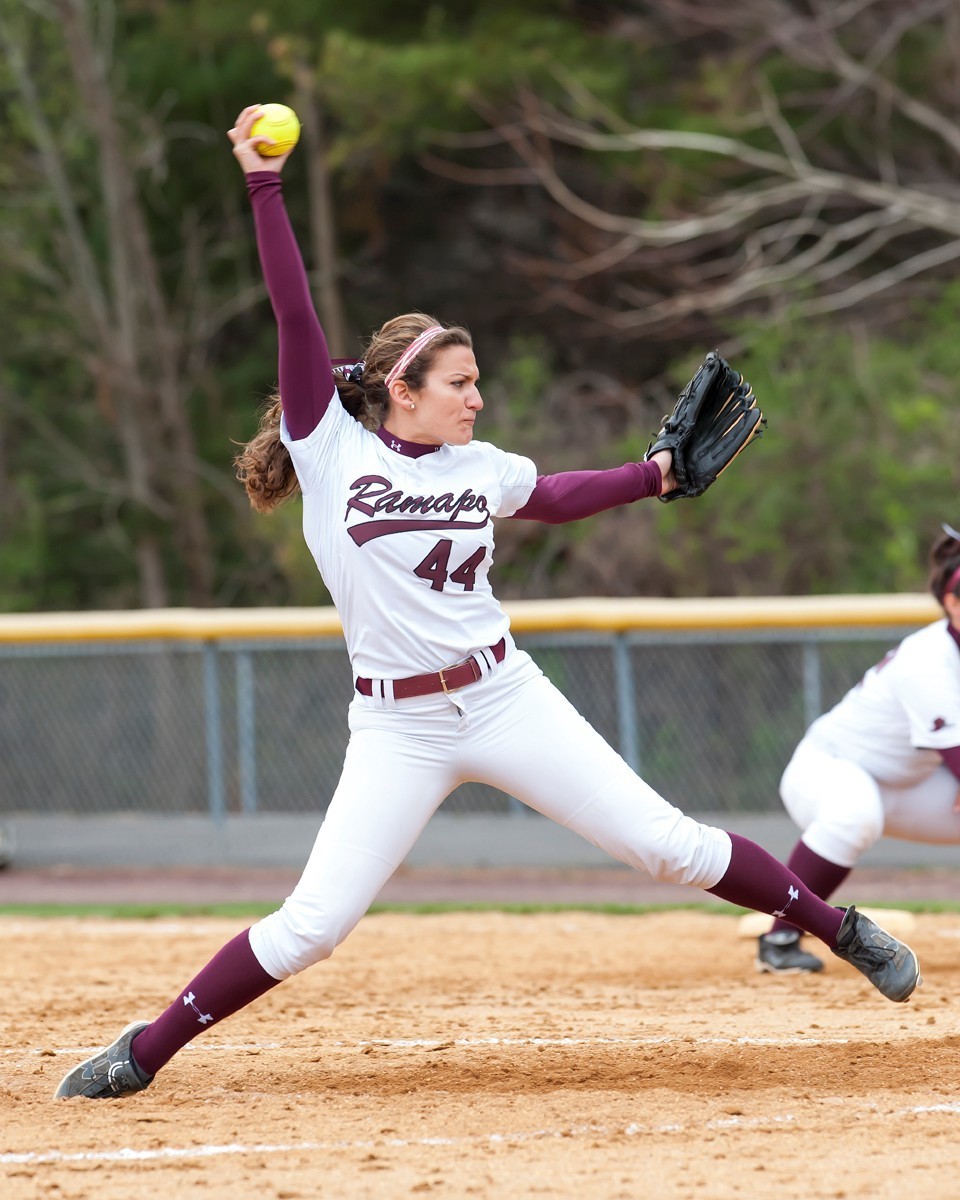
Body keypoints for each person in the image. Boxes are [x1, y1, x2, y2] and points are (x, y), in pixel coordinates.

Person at [55, 104, 921, 1100]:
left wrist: (654, 477)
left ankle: (838, 926)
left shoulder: (480, 467)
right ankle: (144, 1050)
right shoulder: (330, 450)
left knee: (667, 844)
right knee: (313, 926)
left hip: (505, 696)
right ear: (401, 389)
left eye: (477, 382)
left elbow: (551, 496)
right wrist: (262, 184)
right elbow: (295, 317)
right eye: (459, 382)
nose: (476, 397)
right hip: (398, 724)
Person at [755, 524, 960, 975]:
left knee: (866, 806)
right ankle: (780, 941)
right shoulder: (928, 659)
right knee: (856, 812)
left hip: (910, 785)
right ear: (951, 602)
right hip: (828, 770)